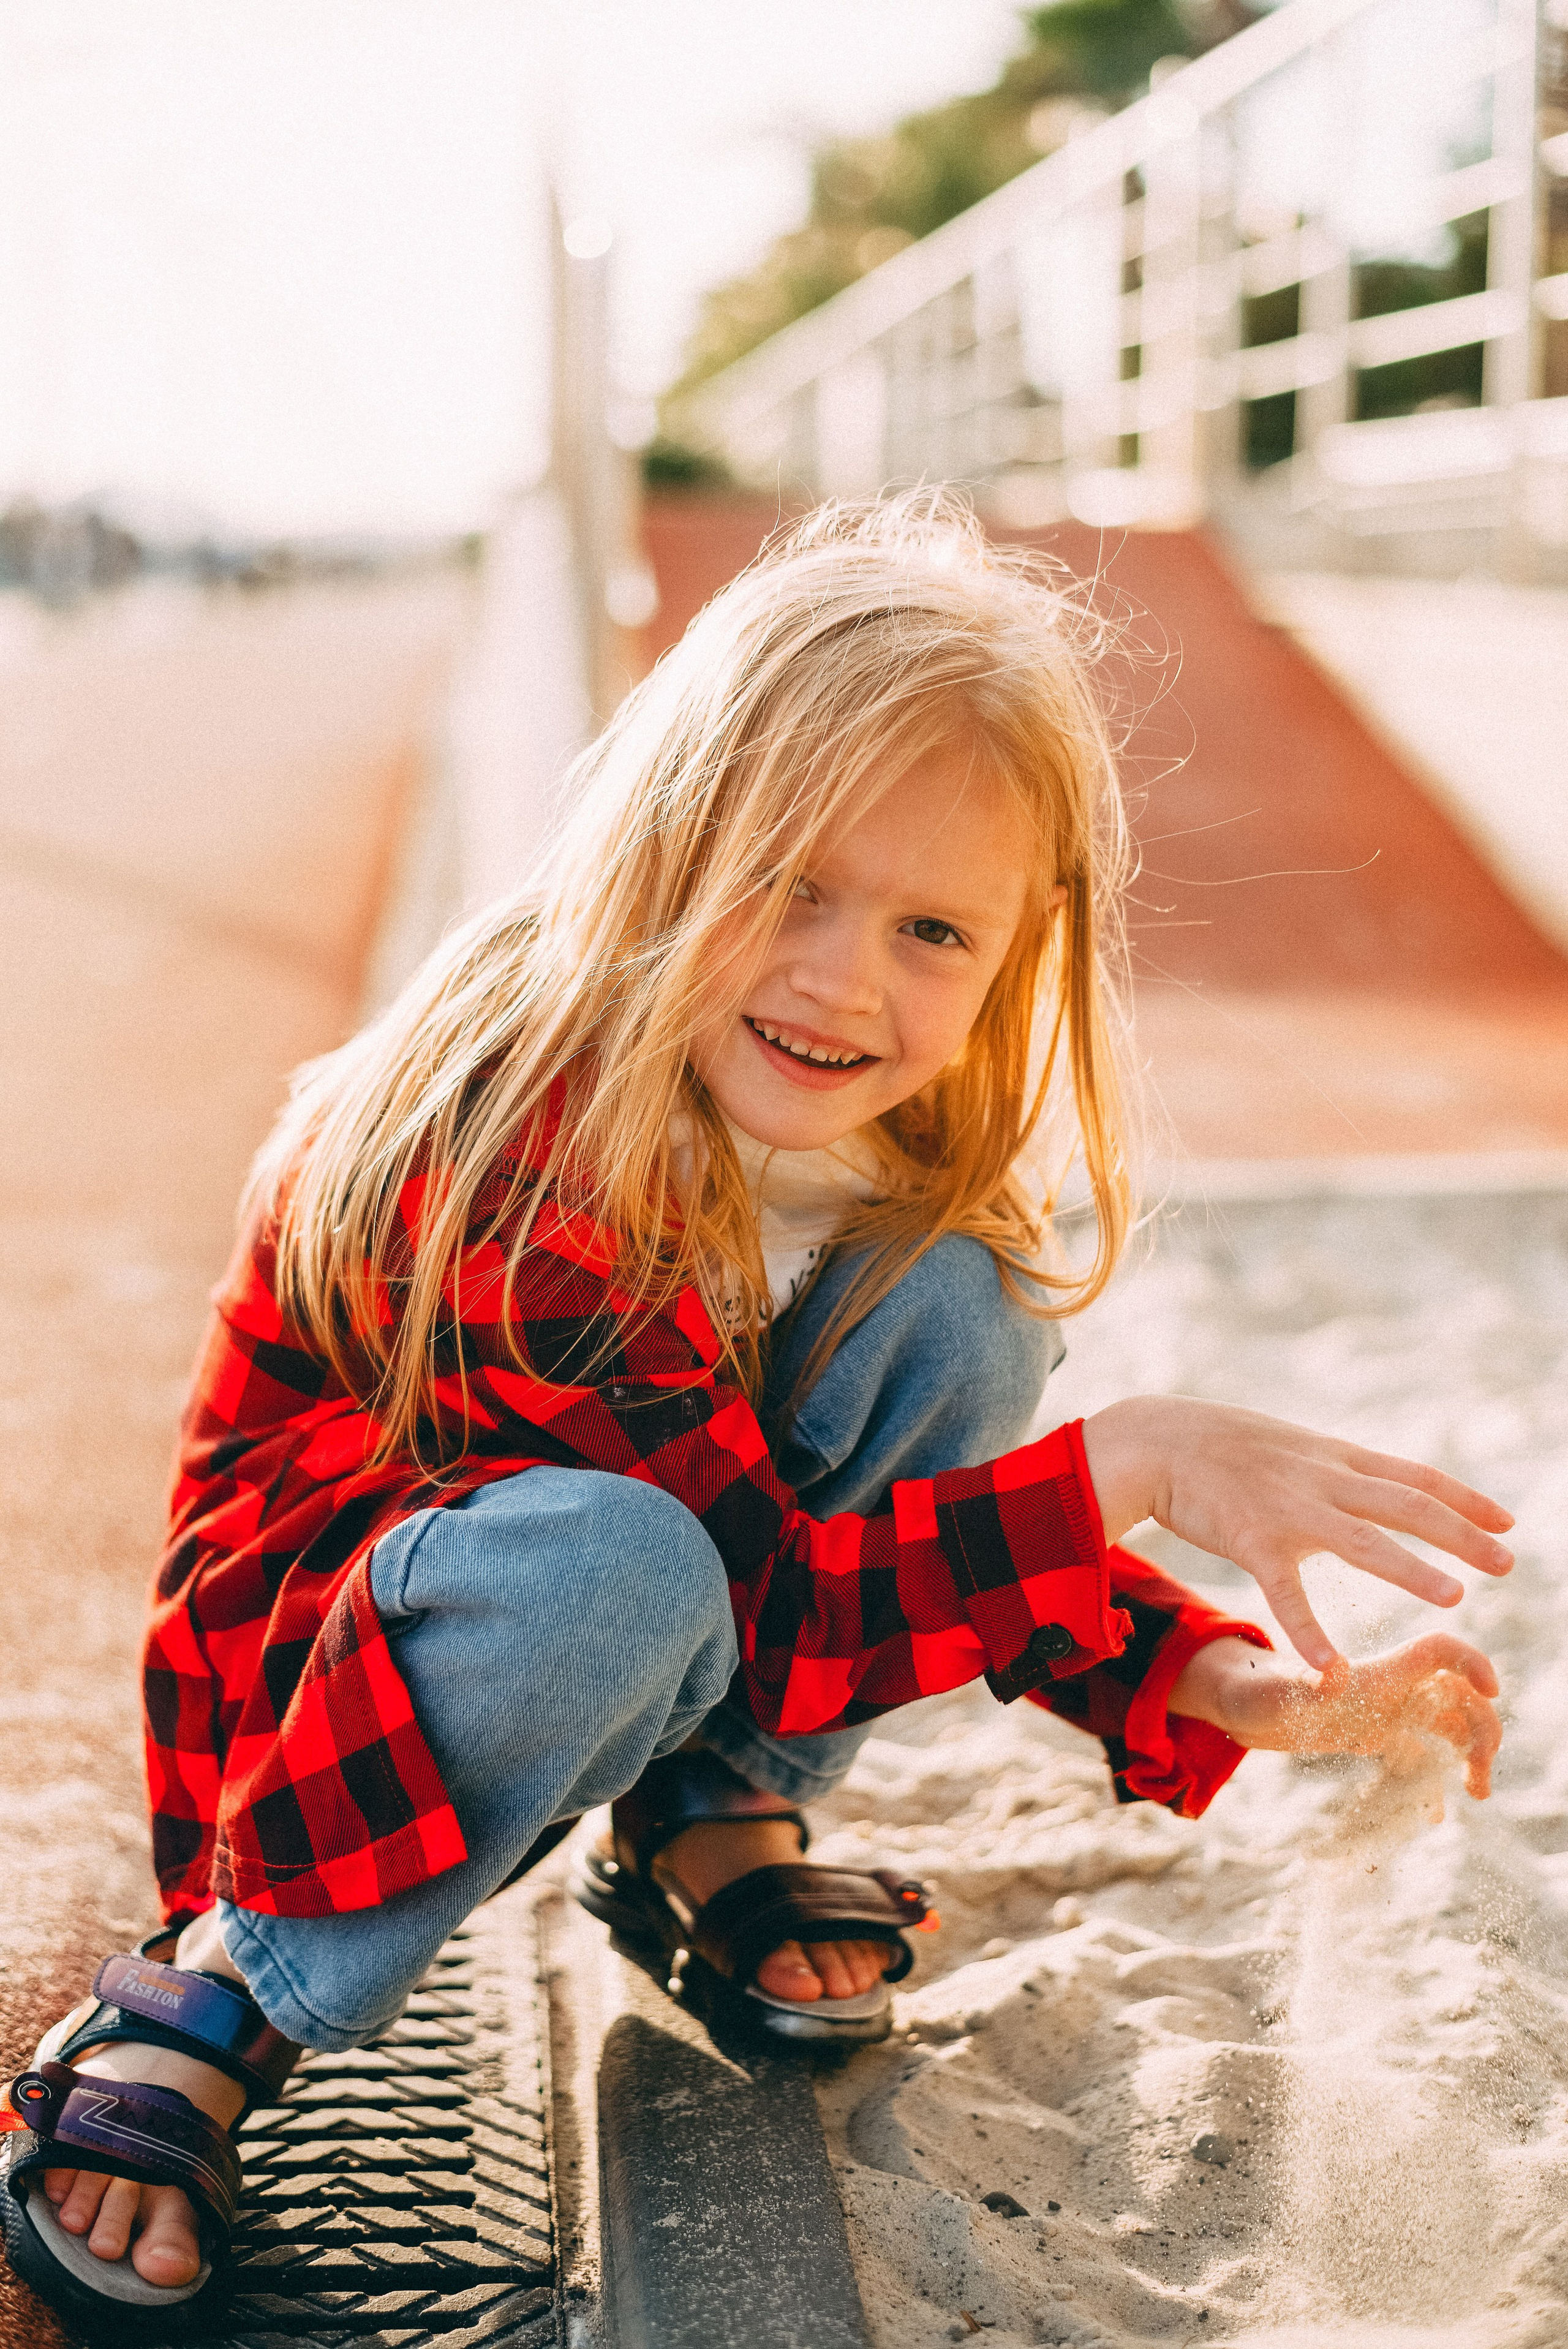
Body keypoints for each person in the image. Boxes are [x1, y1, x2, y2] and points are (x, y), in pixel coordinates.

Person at [1, 494, 1510, 2329]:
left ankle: (721, 1816)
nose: (845, 977)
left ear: (1018, 950)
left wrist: (1217, 1682)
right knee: (631, 1567)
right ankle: (236, 1986)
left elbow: (884, 1555)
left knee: (960, 1309)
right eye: (788, 882)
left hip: (665, 1609)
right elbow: (772, 1599)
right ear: (660, 840)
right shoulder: (517, 1142)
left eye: (931, 930)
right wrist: (1135, 1468)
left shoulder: (859, 1151)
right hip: (329, 1707)